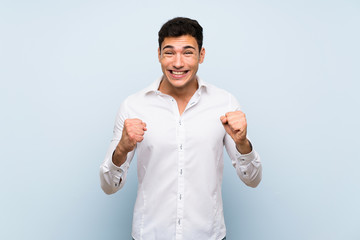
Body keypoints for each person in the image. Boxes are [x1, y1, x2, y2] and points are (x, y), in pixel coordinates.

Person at [99, 17, 262, 240]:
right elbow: (109, 186)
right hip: (150, 235)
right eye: (169, 52)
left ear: (201, 55)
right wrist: (121, 149)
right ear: (158, 55)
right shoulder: (133, 106)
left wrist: (243, 143)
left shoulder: (225, 103)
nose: (178, 63)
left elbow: (252, 179)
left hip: (208, 235)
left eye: (187, 52)